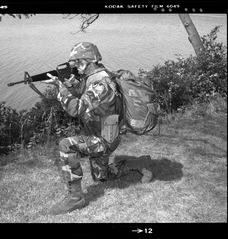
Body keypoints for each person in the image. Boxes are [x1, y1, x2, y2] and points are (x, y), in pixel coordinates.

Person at [43, 42, 152, 215]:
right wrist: (70, 85)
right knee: (102, 177)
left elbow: (76, 109)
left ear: (89, 61)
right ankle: (139, 163)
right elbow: (85, 96)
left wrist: (60, 89)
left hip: (104, 139)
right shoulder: (94, 76)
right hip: (106, 132)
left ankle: (75, 199)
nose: (75, 67)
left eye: (78, 63)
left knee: (66, 145)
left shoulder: (101, 82)